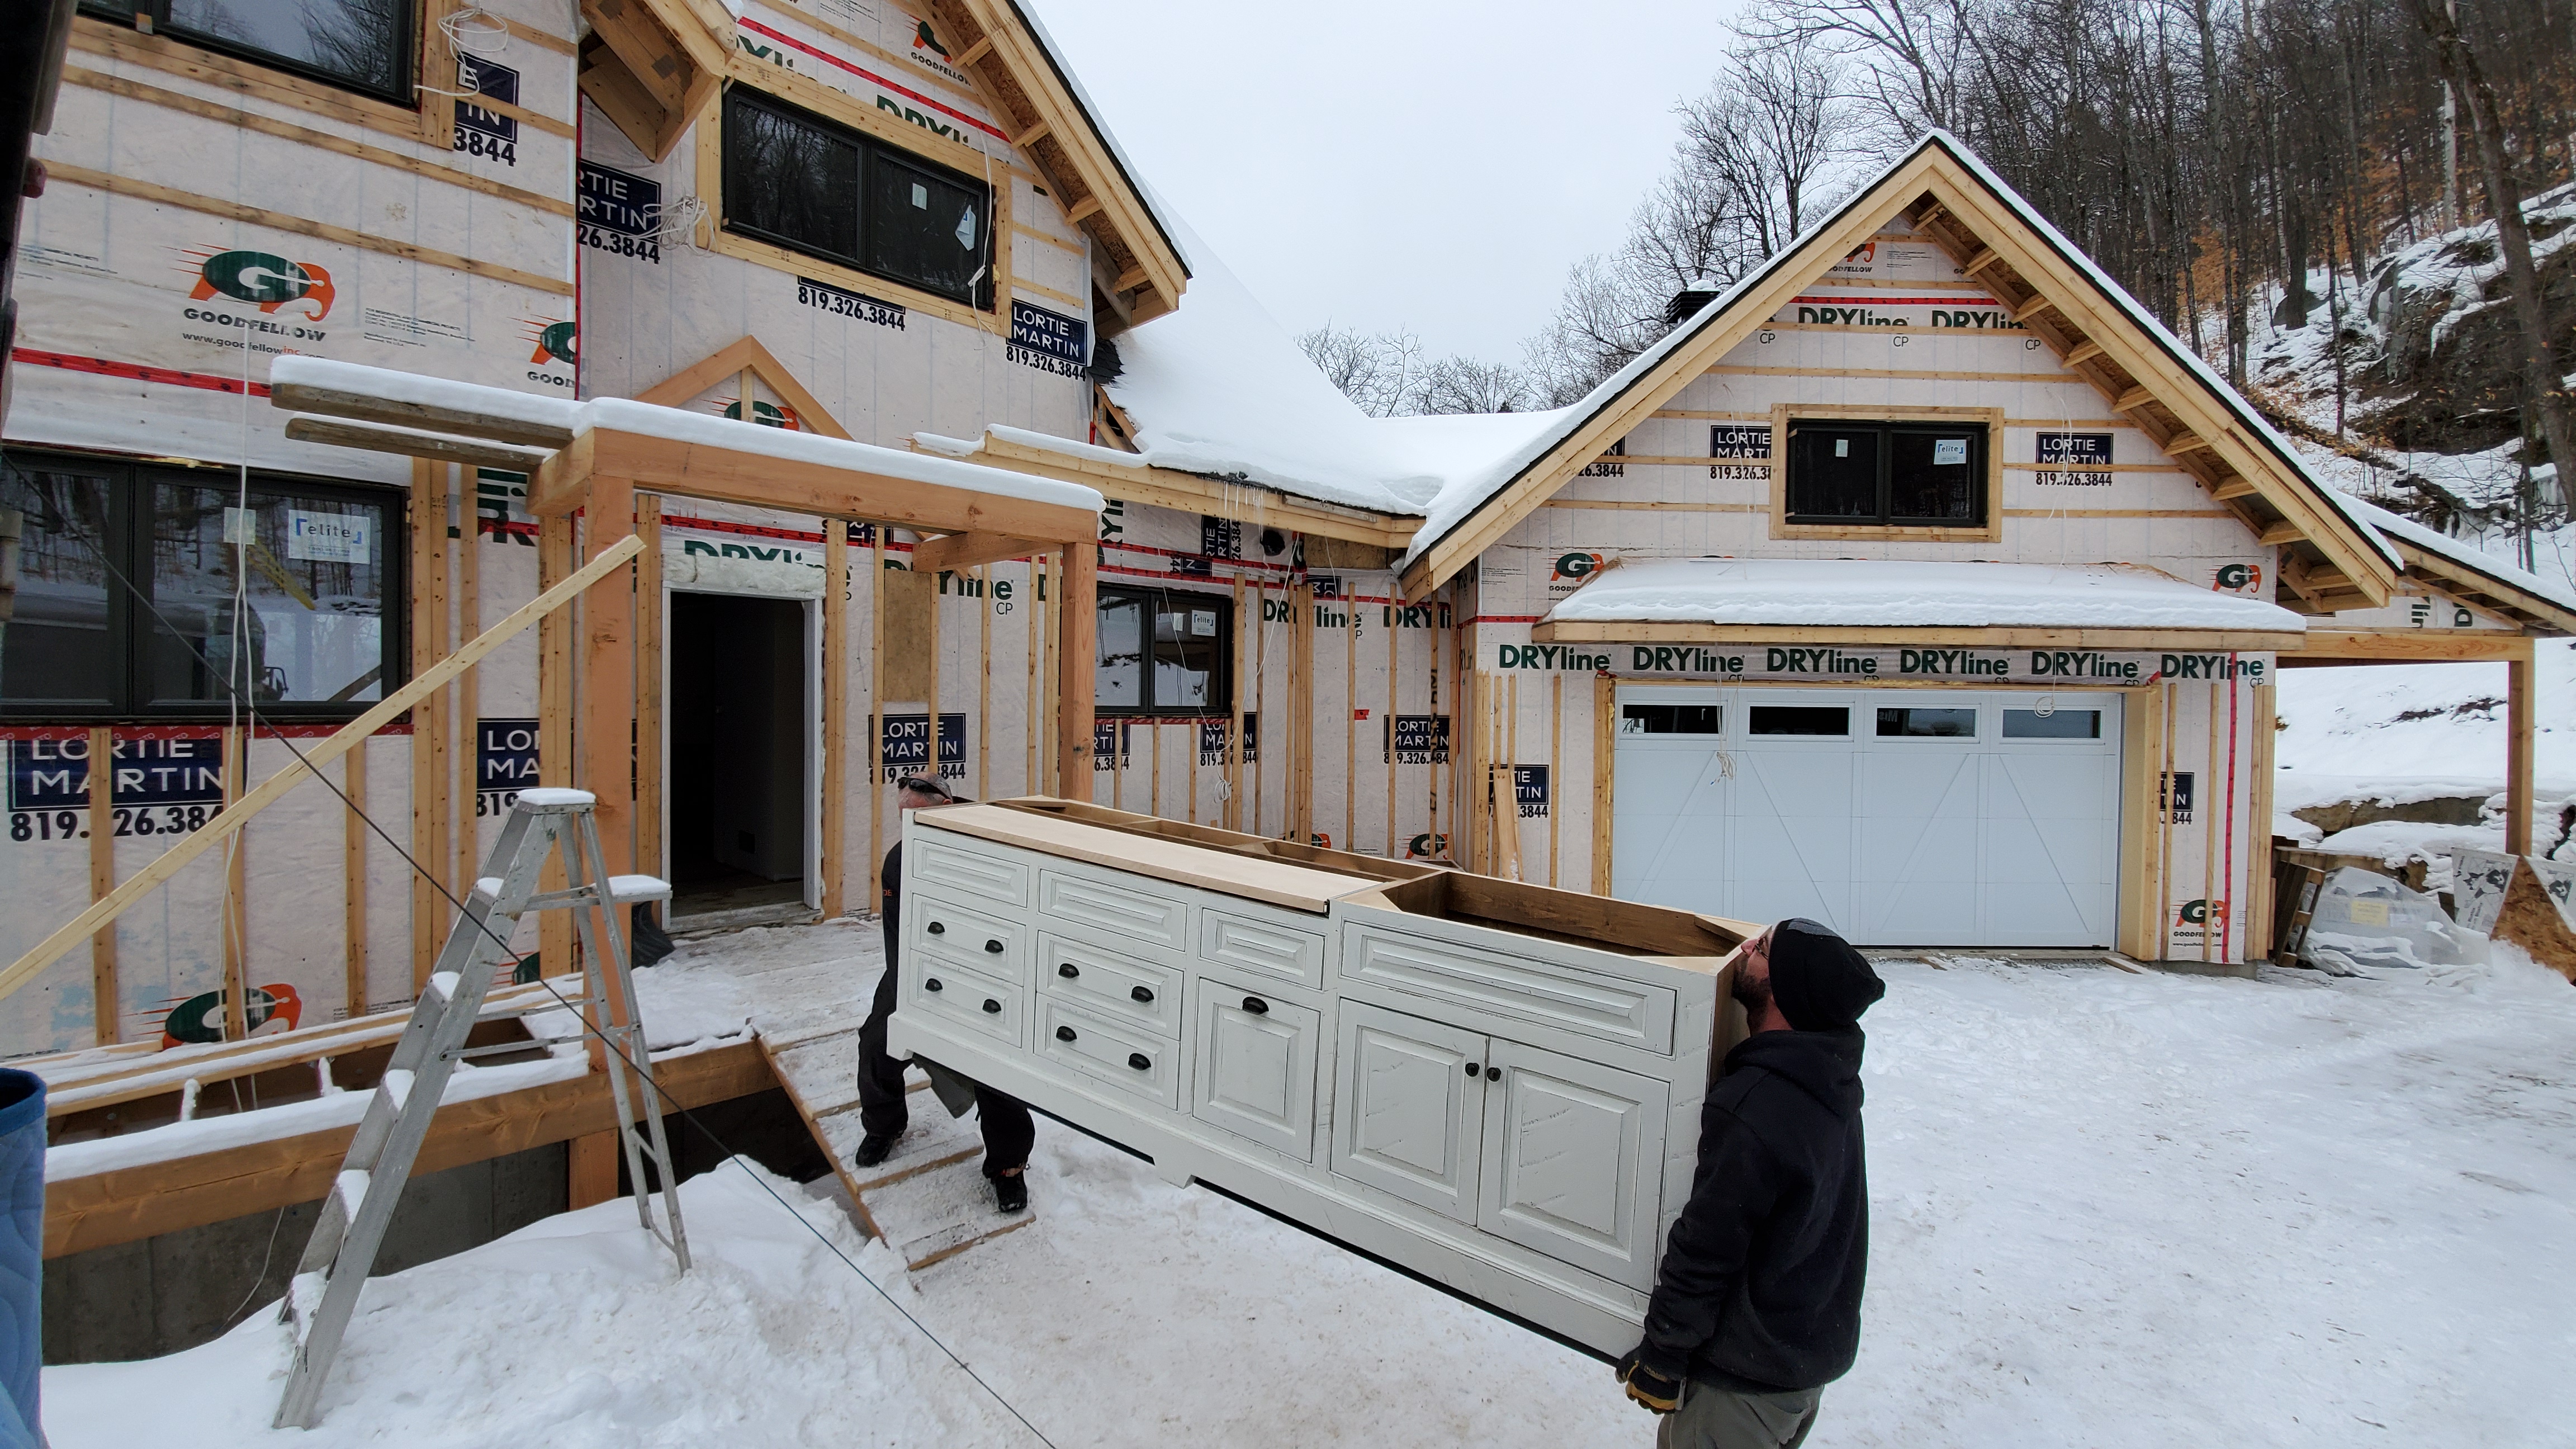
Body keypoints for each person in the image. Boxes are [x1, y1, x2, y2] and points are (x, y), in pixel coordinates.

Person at [1615, 918, 1886, 1448]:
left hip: (1741, 1394)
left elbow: (1708, 1244)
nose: (1743, 949)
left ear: (1784, 990)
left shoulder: (1758, 1108)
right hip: (1798, 1371)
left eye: (1760, 949)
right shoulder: (1826, 1078)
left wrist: (1664, 1355)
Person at [854, 774, 1036, 1213]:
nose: (912, 825)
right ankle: (884, 1126)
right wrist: (907, 1001)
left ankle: (1009, 1166)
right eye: (905, 819)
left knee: (995, 1068)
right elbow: (896, 936)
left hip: (985, 970)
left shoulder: (989, 848)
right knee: (877, 1041)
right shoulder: (899, 862)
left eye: (920, 816)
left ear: (948, 806)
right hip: (914, 968)